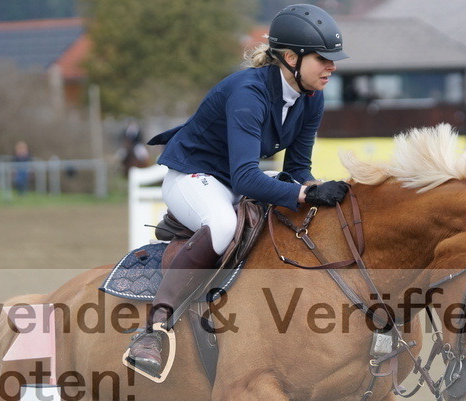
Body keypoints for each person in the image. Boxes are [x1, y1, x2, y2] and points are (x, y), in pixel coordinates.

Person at [125, 3, 352, 378]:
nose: (333, 67)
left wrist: (316, 190)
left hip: (231, 181)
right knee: (223, 226)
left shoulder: (312, 97)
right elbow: (247, 178)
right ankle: (153, 329)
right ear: (291, 58)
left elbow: (296, 170)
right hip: (191, 178)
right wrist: (303, 194)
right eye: (324, 59)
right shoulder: (249, 93)